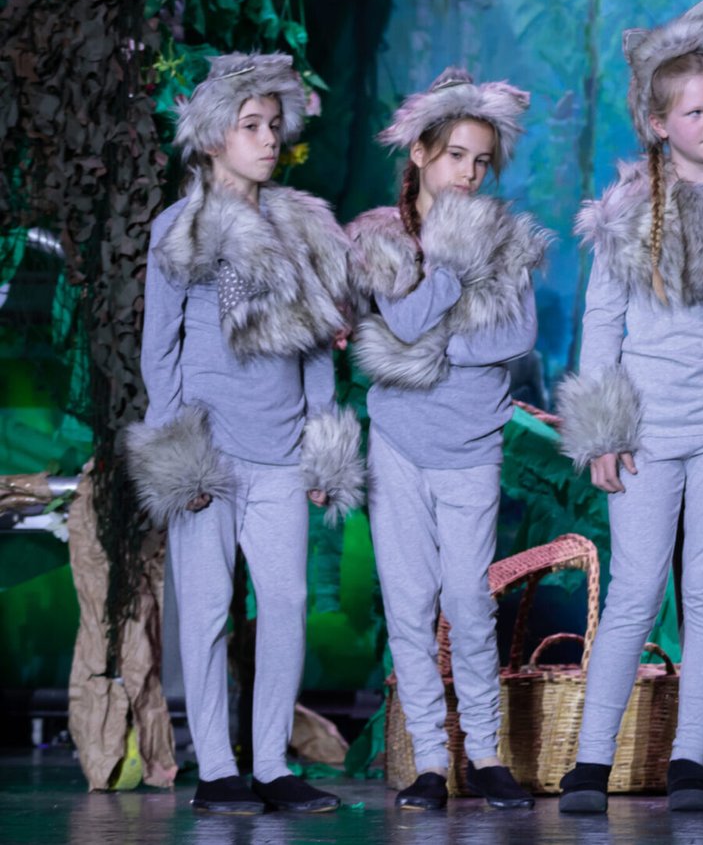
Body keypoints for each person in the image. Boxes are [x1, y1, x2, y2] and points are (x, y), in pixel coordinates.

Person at [555, 2, 703, 814]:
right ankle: (591, 759)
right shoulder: (626, 208)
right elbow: (602, 321)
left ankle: (691, 758)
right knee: (635, 589)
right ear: (659, 124)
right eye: (695, 112)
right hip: (650, 424)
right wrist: (604, 428)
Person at [126, 52, 363, 815]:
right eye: (250, 125)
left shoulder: (303, 227)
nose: (268, 139)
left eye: (273, 124)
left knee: (286, 600)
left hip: (283, 451)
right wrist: (179, 455)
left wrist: (323, 444)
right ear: (210, 137)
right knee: (204, 608)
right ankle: (218, 769)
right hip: (212, 450)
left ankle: (270, 764)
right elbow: (159, 350)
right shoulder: (181, 229)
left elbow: (317, 345)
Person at [346, 68, 549, 810]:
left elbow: (516, 337)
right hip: (400, 440)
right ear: (421, 153)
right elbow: (402, 322)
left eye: (481, 160)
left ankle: (486, 755)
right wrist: (453, 267)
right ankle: (431, 761)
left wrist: (434, 346)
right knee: (409, 604)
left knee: (468, 600)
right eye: (457, 154)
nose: (469, 172)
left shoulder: (506, 235)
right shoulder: (380, 234)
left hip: (473, 441)